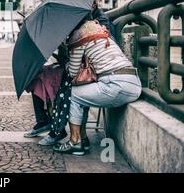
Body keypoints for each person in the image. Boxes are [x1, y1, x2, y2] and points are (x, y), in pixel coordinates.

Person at [53, 19, 142, 156]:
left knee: (73, 94)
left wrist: (65, 57)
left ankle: (75, 142)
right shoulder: (97, 28)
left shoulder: (77, 37)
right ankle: (83, 139)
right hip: (134, 84)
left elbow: (72, 72)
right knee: (84, 95)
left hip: (115, 84)